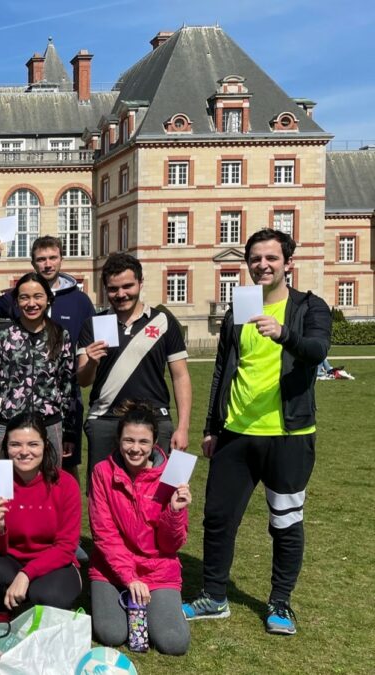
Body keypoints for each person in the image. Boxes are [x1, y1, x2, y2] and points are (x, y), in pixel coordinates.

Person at [184, 229, 331, 636]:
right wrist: (212, 426)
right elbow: (221, 369)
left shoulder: (308, 307)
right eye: (255, 259)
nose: (263, 265)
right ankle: (214, 596)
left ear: (287, 262)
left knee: (284, 520)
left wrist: (284, 334)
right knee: (217, 517)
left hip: (289, 434)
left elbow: (319, 350)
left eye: (271, 258)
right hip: (236, 432)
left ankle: (280, 602)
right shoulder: (240, 306)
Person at [0, 235, 95, 479]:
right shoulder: (19, 299)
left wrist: (71, 430)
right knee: (3, 481)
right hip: (14, 412)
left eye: (53, 258)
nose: (48, 264)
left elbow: (71, 379)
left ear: (62, 259)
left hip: (55, 411)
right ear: (33, 263)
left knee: (60, 476)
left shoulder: (80, 301)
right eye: (41, 259)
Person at [89, 401, 191, 656]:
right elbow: (104, 535)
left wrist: (175, 511)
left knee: (174, 643)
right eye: (129, 440)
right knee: (112, 634)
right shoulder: (102, 472)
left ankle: (153, 608)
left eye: (143, 442)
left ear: (155, 442)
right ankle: (125, 601)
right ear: (119, 440)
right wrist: (129, 577)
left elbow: (170, 545)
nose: (135, 449)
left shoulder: (172, 474)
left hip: (157, 567)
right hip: (111, 568)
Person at [78, 253, 192, 480]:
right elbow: (83, 380)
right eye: (113, 289)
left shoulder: (163, 321)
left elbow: (180, 377)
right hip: (105, 418)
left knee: (162, 494)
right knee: (103, 495)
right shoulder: (95, 324)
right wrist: (91, 361)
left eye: (127, 286)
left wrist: (183, 427)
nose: (121, 294)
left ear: (140, 283)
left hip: (155, 419)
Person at [0, 413, 81, 619]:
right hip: (9, 561)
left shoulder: (65, 484)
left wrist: (27, 574)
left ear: (45, 446)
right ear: (6, 447)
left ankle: (34, 606)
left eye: (32, 444)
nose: (24, 452)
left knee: (49, 594)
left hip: (53, 562)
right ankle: (2, 610)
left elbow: (66, 547)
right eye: (15, 445)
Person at [0, 272, 78, 460]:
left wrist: (70, 431)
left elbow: (68, 385)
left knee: (49, 485)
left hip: (49, 425)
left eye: (37, 296)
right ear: (16, 301)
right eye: (24, 297)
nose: (31, 303)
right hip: (10, 423)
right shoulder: (2, 335)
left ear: (48, 299)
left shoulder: (60, 335)